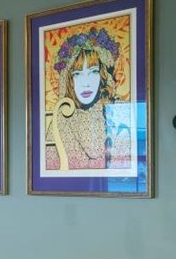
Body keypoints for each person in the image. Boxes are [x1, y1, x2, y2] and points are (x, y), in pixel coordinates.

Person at [45, 27, 132, 171]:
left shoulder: (118, 114)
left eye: (93, 72)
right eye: (77, 74)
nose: (86, 83)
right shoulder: (60, 120)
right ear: (68, 79)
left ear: (103, 74)